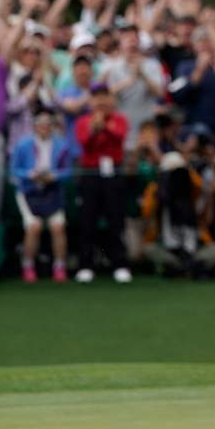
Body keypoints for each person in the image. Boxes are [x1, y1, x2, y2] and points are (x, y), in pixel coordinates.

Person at [74, 84, 132, 283]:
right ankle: (85, 265)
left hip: (113, 173)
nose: (100, 101)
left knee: (116, 220)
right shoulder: (83, 121)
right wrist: (93, 128)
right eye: (96, 97)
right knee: (87, 220)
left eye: (104, 97)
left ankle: (120, 264)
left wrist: (104, 127)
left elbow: (119, 138)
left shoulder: (119, 120)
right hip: (90, 174)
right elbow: (84, 143)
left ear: (110, 100)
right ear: (90, 101)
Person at [12, 108, 73, 283]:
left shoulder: (62, 145)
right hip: (29, 192)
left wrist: (55, 176)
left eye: (48, 124)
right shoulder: (23, 145)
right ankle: (28, 265)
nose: (44, 127)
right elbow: (15, 170)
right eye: (40, 124)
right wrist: (30, 174)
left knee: (58, 227)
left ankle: (60, 266)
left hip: (52, 192)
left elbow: (67, 171)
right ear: (34, 126)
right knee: (34, 227)